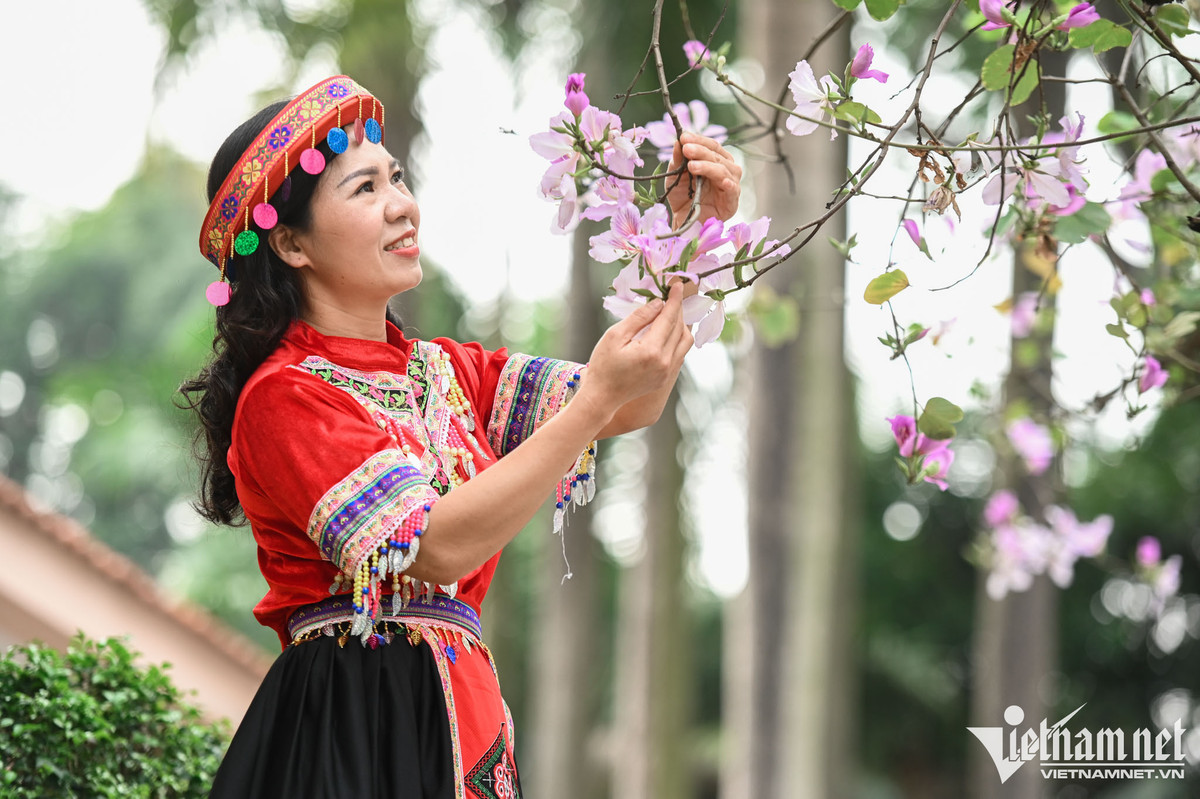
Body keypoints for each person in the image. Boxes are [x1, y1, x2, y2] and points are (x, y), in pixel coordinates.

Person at [182, 75, 741, 798]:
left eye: (398, 178)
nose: (402, 205)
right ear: (291, 242)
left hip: (461, 702)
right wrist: (597, 393)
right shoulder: (284, 395)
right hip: (352, 725)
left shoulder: (448, 371)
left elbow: (632, 397)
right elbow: (433, 544)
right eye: (364, 190)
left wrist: (686, 240)